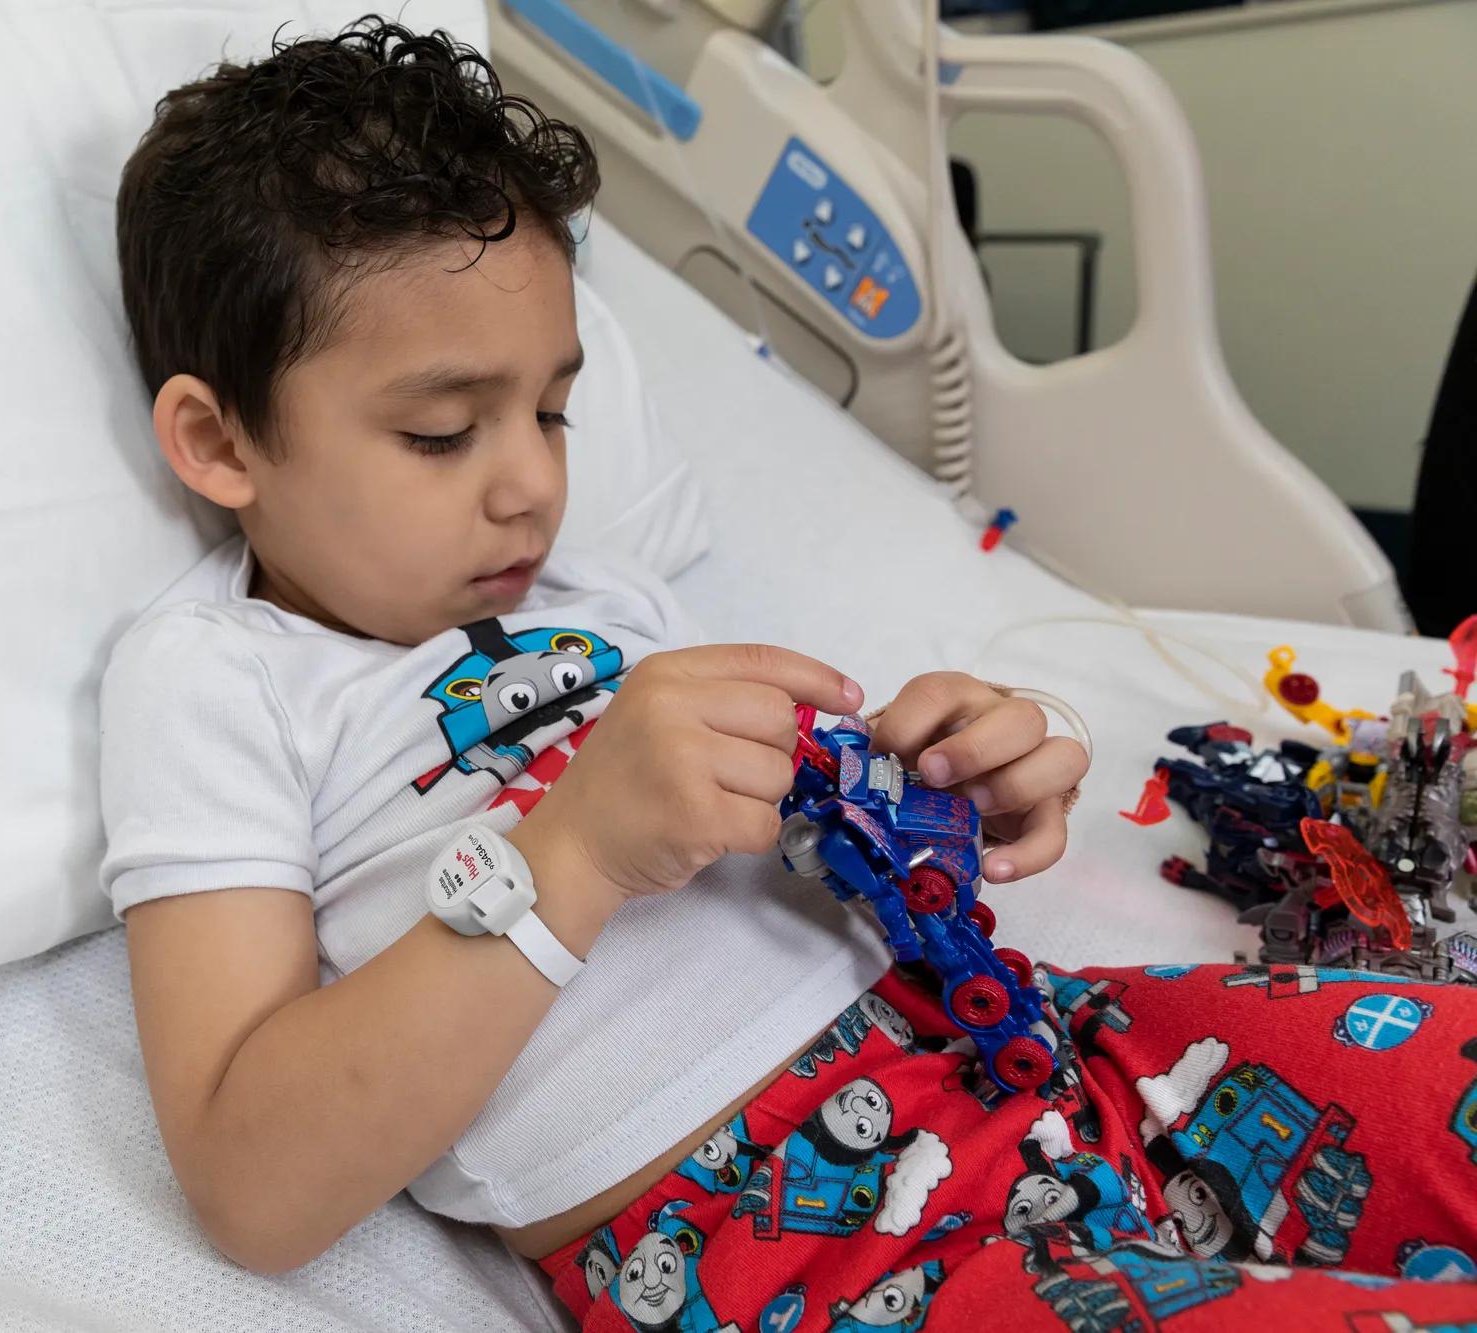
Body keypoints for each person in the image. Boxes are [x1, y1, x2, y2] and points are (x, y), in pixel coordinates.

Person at [100, 18, 1477, 1328]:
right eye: (445, 431)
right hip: (808, 1242)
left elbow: (784, 822)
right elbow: (252, 1184)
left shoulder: (605, 609)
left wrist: (941, 778)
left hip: (1059, 1043)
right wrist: (566, 859)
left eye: (553, 409)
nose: (531, 482)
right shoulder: (218, 677)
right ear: (220, 445)